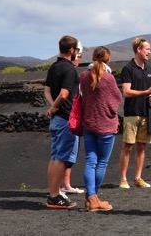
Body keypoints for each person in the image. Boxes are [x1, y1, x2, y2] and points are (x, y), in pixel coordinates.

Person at [79, 46, 121, 211]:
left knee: (90, 160)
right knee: (102, 162)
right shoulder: (109, 78)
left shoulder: (83, 76)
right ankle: (94, 198)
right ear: (108, 59)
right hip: (105, 125)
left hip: (88, 123)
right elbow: (116, 100)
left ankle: (91, 198)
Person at [43, 35, 81, 209]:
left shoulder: (54, 67)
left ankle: (54, 193)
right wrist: (54, 108)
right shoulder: (69, 69)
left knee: (54, 157)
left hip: (57, 118)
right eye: (77, 51)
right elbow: (65, 94)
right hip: (66, 119)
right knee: (60, 159)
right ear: (71, 50)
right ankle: (54, 196)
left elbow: (47, 91)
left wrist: (52, 107)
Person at [119, 37, 151, 189]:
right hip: (131, 113)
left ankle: (138, 178)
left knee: (141, 146)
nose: (150, 52)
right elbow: (126, 92)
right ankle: (123, 179)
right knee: (128, 146)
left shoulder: (150, 69)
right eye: (147, 49)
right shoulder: (128, 69)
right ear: (139, 49)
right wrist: (146, 92)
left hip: (146, 112)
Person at [61, 42, 85, 196]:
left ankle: (66, 184)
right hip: (69, 116)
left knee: (71, 152)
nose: (79, 59)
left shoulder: (70, 72)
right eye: (79, 56)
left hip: (72, 116)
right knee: (65, 152)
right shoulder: (70, 73)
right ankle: (61, 187)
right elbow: (65, 95)